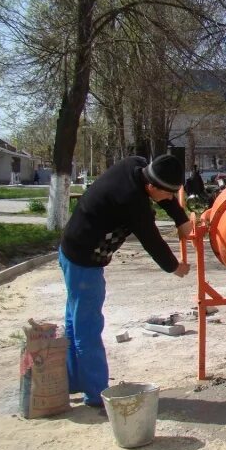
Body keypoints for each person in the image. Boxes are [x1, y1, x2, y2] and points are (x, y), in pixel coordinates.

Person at [58, 155, 193, 408]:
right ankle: (96, 394)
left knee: (75, 322)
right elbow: (152, 240)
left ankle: (75, 380)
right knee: (87, 327)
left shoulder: (137, 165)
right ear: (152, 188)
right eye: (166, 194)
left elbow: (166, 196)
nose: (168, 199)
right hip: (84, 260)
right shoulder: (132, 201)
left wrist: (181, 219)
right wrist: (175, 267)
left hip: (72, 250)